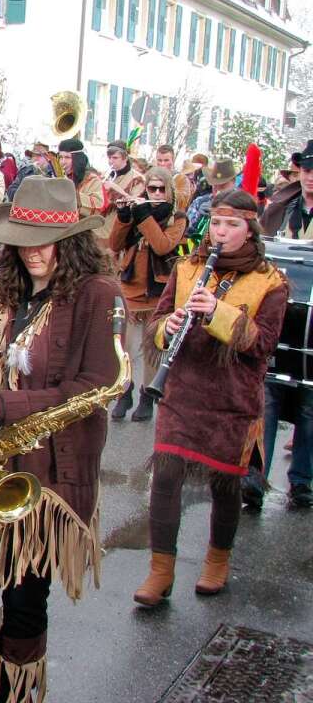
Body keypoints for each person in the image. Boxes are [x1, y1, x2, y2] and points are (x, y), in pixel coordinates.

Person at [0, 175, 119, 703]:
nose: (31, 253)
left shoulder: (99, 295)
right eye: (20, 242)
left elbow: (96, 387)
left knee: (24, 594)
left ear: (71, 241)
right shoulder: (11, 279)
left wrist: (8, 404)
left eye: (42, 243)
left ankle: (8, 689)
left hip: (49, 470)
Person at [133, 190, 287, 607]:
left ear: (250, 230)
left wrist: (217, 312)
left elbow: (265, 343)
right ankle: (160, 571)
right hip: (182, 387)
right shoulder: (188, 267)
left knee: (225, 483)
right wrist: (172, 323)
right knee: (166, 476)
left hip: (232, 396)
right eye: (217, 224)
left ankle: (217, 560)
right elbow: (158, 324)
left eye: (232, 225)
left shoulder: (270, 280)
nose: (221, 232)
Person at [246, 140, 313, 509]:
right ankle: (255, 476)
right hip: (278, 316)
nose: (310, 178)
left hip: (311, 326)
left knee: (308, 405)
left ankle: (301, 481)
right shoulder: (282, 210)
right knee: (267, 398)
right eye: (305, 170)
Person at [108, 167, 188, 422]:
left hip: (158, 290)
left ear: (169, 191)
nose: (154, 193)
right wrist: (123, 216)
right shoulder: (137, 211)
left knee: (153, 348)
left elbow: (162, 245)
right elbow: (114, 245)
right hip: (131, 286)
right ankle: (125, 392)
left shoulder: (177, 218)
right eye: (150, 188)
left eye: (159, 189)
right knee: (126, 348)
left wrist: (143, 215)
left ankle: (146, 396)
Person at [100, 140, 144, 247]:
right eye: (109, 158)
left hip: (118, 232)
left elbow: (134, 202)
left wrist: (114, 188)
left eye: (115, 158)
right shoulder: (107, 175)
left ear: (125, 158)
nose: (111, 161)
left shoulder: (137, 179)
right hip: (100, 229)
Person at [56, 138, 105, 221]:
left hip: (83, 230)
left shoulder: (93, 179)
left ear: (78, 159)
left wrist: (69, 192)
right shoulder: (59, 177)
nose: (62, 162)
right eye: (61, 157)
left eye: (67, 157)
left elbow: (98, 206)